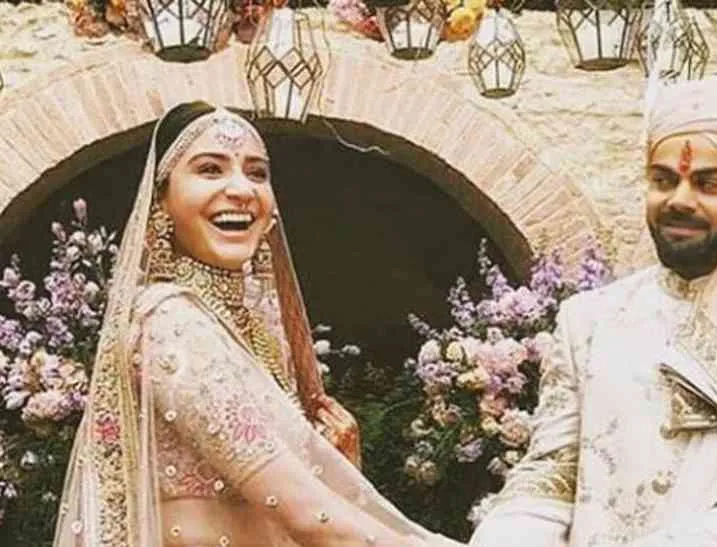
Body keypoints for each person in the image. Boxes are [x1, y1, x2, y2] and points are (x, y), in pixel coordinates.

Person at [52, 102, 462, 547]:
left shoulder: (254, 334)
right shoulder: (171, 322)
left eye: (257, 173)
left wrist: (336, 467)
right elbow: (310, 517)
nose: (241, 189)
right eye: (210, 169)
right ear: (161, 203)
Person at [469, 76, 717, 546]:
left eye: (708, 183)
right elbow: (551, 474)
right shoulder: (589, 321)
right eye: (663, 180)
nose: (679, 199)